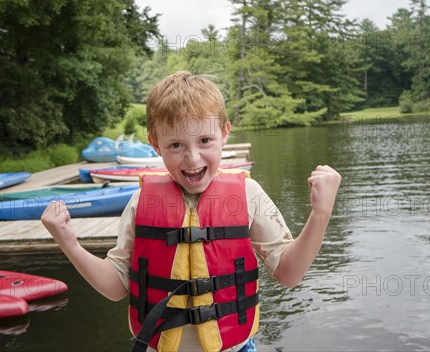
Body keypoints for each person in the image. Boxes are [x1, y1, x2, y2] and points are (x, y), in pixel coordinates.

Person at [41, 71, 342, 352]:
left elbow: (289, 273)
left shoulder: (248, 194)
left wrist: (320, 214)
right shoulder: (140, 202)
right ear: (155, 144)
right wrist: (69, 242)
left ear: (225, 132)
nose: (193, 158)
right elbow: (115, 287)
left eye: (205, 141)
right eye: (176, 145)